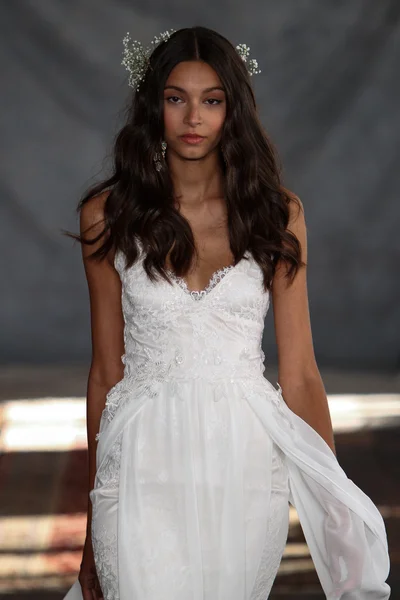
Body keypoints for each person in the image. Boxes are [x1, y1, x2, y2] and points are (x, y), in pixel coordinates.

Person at [63, 26, 390, 600]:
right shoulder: (108, 216)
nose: (194, 116)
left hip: (242, 458)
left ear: (232, 110)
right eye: (176, 98)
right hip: (141, 457)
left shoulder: (274, 215)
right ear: (153, 106)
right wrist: (93, 516)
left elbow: (300, 374)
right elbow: (105, 374)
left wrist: (334, 501)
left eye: (212, 100)